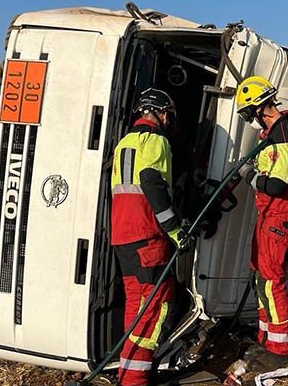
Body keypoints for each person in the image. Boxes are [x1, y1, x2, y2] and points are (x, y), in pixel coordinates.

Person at [234, 76, 288, 370]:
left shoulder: (281, 136)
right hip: (270, 215)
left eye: (248, 115)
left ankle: (281, 348)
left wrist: (247, 174)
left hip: (280, 216)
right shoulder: (276, 134)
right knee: (259, 277)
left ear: (259, 108)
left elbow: (276, 185)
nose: (249, 121)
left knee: (271, 281)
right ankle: (267, 340)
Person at [110, 88, 192, 386]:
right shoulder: (155, 141)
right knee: (156, 307)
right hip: (148, 236)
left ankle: (128, 374)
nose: (169, 119)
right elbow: (152, 182)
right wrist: (174, 230)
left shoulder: (125, 143)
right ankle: (135, 381)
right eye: (168, 113)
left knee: (137, 306)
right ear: (159, 112)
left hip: (123, 237)